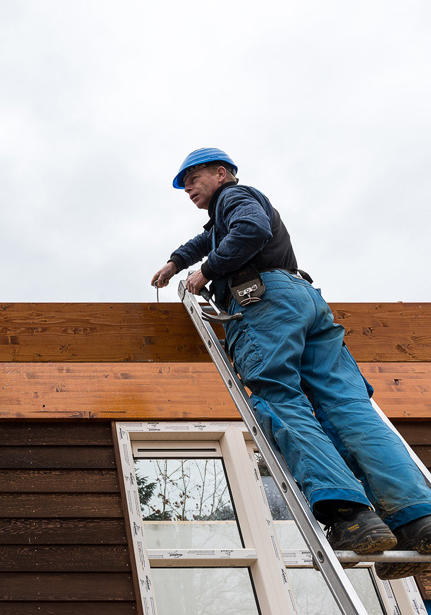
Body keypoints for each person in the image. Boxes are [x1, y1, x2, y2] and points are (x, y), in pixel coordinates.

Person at [151, 148, 431, 580]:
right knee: (347, 405)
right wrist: (176, 262)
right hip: (304, 299)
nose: (187, 188)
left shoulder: (234, 198)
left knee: (280, 397)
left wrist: (205, 273)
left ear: (221, 174)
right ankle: (416, 520)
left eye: (193, 178)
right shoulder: (226, 212)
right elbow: (208, 238)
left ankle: (350, 514)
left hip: (263, 301)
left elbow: (247, 230)